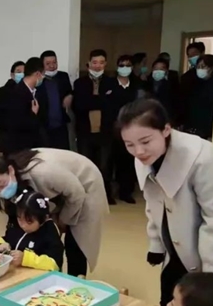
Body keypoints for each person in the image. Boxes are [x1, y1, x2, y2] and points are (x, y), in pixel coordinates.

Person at [118, 98, 213, 306]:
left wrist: (212, 277)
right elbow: (153, 202)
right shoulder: (143, 157)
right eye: (129, 144)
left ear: (166, 129)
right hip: (176, 246)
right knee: (171, 304)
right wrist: (156, 243)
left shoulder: (203, 158)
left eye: (145, 141)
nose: (138, 151)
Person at [0, 149, 107, 277]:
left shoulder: (43, 173)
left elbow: (77, 194)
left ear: (10, 170)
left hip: (84, 185)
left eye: (1, 185)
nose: (0, 191)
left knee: (76, 241)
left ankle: (75, 280)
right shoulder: (15, 181)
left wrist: (62, 221)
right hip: (61, 189)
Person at [72, 49, 116, 203]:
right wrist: (100, 100)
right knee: (86, 166)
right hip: (85, 131)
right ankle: (86, 195)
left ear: (106, 64)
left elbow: (111, 107)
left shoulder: (111, 82)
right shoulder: (79, 83)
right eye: (95, 62)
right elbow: (79, 106)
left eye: (101, 63)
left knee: (105, 166)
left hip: (105, 131)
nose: (98, 66)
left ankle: (106, 195)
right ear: (89, 63)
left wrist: (93, 100)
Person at [0, 189, 64, 271]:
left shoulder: (50, 232)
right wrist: (0, 245)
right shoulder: (16, 224)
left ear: (43, 218)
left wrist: (26, 259)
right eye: (19, 218)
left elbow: (54, 264)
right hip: (16, 273)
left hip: (38, 276)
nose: (23, 225)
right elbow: (6, 238)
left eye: (29, 222)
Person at [106, 54, 139, 204]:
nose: (125, 68)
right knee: (109, 162)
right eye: (122, 65)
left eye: (128, 65)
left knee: (128, 162)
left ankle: (126, 192)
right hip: (111, 128)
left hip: (131, 128)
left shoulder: (136, 86)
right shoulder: (109, 84)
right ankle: (108, 194)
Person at [0, 57, 46, 156]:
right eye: (43, 74)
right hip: (20, 149)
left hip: (34, 147)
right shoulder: (15, 93)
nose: (43, 77)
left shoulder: (36, 92)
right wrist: (33, 114)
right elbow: (16, 123)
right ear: (38, 74)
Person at [36, 50, 72, 150]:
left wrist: (70, 96)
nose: (52, 66)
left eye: (54, 62)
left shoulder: (63, 77)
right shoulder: (38, 80)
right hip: (43, 126)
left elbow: (70, 91)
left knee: (63, 153)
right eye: (48, 64)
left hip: (60, 125)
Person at [182, 54, 213, 140]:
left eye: (203, 67)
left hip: (209, 130)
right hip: (193, 128)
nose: (200, 69)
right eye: (198, 67)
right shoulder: (193, 83)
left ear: (212, 68)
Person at [0, 60, 25, 154]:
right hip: (9, 138)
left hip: (25, 139)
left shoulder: (30, 90)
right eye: (19, 72)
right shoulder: (3, 91)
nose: (22, 74)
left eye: (24, 72)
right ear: (12, 75)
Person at [144, 58, 178, 123]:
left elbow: (175, 106)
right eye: (156, 69)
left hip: (165, 119)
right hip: (148, 118)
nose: (158, 71)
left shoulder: (172, 86)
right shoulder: (145, 83)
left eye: (161, 69)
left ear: (166, 71)